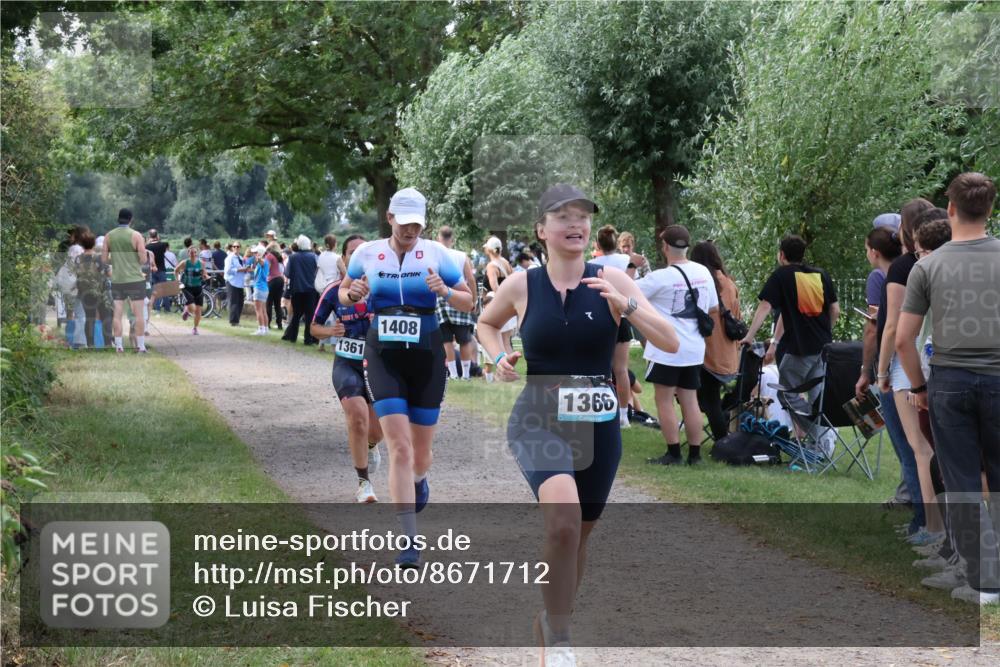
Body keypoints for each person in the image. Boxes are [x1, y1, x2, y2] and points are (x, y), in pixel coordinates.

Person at [476, 183, 678, 666]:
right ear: (541, 230)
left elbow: (670, 341)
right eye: (562, 216)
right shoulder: (522, 284)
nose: (575, 224)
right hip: (537, 420)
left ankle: (553, 623)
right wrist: (500, 355)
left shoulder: (613, 279)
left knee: (580, 533)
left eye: (582, 216)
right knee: (563, 521)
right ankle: (561, 643)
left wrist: (625, 305)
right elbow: (486, 323)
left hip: (598, 426)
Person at [338, 187, 473, 568]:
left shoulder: (437, 254)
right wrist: (354, 294)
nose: (412, 230)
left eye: (418, 223)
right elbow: (346, 292)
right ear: (390, 218)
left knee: (420, 454)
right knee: (399, 446)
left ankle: (418, 481)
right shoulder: (366, 254)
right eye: (406, 222)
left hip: (427, 353)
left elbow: (468, 301)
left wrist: (445, 290)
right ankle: (408, 540)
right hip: (383, 353)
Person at [897, 172, 999, 606]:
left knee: (959, 478)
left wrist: (917, 387)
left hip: (951, 379)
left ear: (951, 209)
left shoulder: (928, 266)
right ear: (990, 209)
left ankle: (982, 580)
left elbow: (904, 339)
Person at [877, 206, 949, 546]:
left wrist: (882, 372)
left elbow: (900, 333)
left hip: (919, 369)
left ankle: (933, 527)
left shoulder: (918, 272)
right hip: (950, 370)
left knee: (923, 451)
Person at [739, 234, 840, 446]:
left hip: (799, 349)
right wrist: (823, 332)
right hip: (823, 347)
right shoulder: (819, 274)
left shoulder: (782, 275)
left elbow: (765, 306)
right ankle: (821, 447)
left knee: (786, 394)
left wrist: (749, 336)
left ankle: (821, 436)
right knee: (817, 398)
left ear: (782, 255)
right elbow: (834, 309)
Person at [311, 234, 385, 503]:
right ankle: (364, 482)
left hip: (379, 366)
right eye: (352, 252)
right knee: (357, 417)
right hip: (346, 363)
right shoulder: (334, 292)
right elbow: (313, 328)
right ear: (344, 259)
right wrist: (331, 330)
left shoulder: (383, 288)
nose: (357, 256)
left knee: (376, 431)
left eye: (363, 252)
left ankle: (371, 445)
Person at [638, 225, 719, 465]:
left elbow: (629, 296)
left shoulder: (659, 278)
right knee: (690, 399)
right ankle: (695, 455)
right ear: (687, 246)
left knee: (664, 400)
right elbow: (713, 308)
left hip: (667, 349)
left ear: (665, 247)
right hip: (694, 348)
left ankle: (673, 453)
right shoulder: (703, 272)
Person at [690, 240, 741, 441]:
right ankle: (723, 419)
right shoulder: (729, 283)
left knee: (705, 399)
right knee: (709, 398)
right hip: (728, 354)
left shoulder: (701, 284)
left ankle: (722, 441)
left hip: (706, 353)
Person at [589, 225, 634, 429]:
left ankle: (600, 409)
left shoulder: (590, 263)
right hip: (622, 316)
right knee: (621, 369)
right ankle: (623, 414)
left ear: (597, 244)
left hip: (599, 319)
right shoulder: (627, 260)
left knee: (600, 367)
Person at [101, 208, 148, 353]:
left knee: (117, 314)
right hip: (135, 279)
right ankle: (140, 346)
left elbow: (104, 259)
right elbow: (144, 259)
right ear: (131, 219)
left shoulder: (109, 236)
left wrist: (116, 259)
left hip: (117, 279)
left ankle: (119, 346)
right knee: (139, 314)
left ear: (118, 218)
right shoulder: (136, 235)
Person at [436, 225, 478, 380]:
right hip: (460, 296)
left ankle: (453, 374)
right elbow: (471, 279)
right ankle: (466, 374)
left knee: (446, 339)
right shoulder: (461, 255)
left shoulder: (436, 255)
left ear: (438, 238)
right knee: (464, 339)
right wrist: (472, 301)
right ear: (452, 239)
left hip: (441, 299)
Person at [75, 232, 112, 348]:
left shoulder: (78, 258)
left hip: (85, 292)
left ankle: (90, 344)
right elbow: (108, 273)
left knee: (89, 318)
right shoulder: (99, 257)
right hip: (101, 292)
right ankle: (107, 344)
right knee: (106, 317)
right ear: (93, 244)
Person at [282, 235, 320, 345]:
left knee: (296, 315)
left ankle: (293, 337)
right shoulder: (314, 257)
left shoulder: (293, 257)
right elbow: (318, 271)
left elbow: (287, 273)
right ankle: (308, 340)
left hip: (297, 289)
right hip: (311, 290)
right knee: (309, 316)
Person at [484, 236, 517, 354]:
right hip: (508, 303)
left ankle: (505, 370)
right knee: (506, 342)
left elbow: (494, 286)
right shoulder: (506, 262)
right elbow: (513, 280)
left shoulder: (492, 265)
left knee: (498, 342)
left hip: (497, 304)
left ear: (489, 250)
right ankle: (510, 370)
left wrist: (501, 302)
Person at [174, 245, 210, 335]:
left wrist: (206, 276)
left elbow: (204, 273)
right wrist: (178, 281)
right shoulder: (185, 262)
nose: (193, 254)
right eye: (191, 252)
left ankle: (195, 328)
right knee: (193, 307)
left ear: (197, 253)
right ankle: (187, 310)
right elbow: (176, 270)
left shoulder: (201, 263)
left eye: (194, 252)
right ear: (188, 253)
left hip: (198, 287)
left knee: (198, 311)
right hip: (187, 287)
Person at [224, 241, 248, 326]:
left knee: (240, 302)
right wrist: (239, 270)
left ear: (240, 247)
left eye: (238, 246)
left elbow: (243, 269)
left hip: (240, 282)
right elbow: (227, 270)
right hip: (232, 282)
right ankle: (233, 321)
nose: (236, 248)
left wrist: (246, 269)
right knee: (234, 302)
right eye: (234, 246)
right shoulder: (229, 258)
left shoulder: (241, 258)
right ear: (232, 248)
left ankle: (237, 320)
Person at [146, 229, 170, 313]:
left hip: (152, 270)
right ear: (157, 235)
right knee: (164, 290)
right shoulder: (162, 245)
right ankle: (167, 308)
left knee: (155, 290)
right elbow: (163, 250)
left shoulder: (147, 246)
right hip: (162, 269)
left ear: (149, 236)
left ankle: (157, 309)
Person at [265, 244, 285, 330]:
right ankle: (279, 324)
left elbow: (267, 269)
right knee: (277, 304)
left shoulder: (269, 256)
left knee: (268, 303)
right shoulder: (278, 257)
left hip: (272, 280)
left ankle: (267, 323)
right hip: (280, 279)